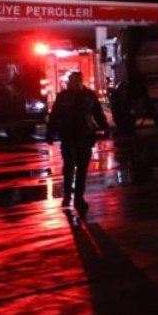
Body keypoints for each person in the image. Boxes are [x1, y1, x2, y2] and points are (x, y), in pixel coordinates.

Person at [46, 71, 109, 210]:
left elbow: (97, 113)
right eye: (74, 81)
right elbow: (55, 115)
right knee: (69, 166)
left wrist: (105, 127)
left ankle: (79, 197)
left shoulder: (89, 96)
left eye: (78, 80)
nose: (77, 83)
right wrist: (50, 132)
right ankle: (68, 195)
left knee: (82, 169)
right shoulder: (63, 97)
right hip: (68, 136)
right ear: (70, 82)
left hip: (85, 136)